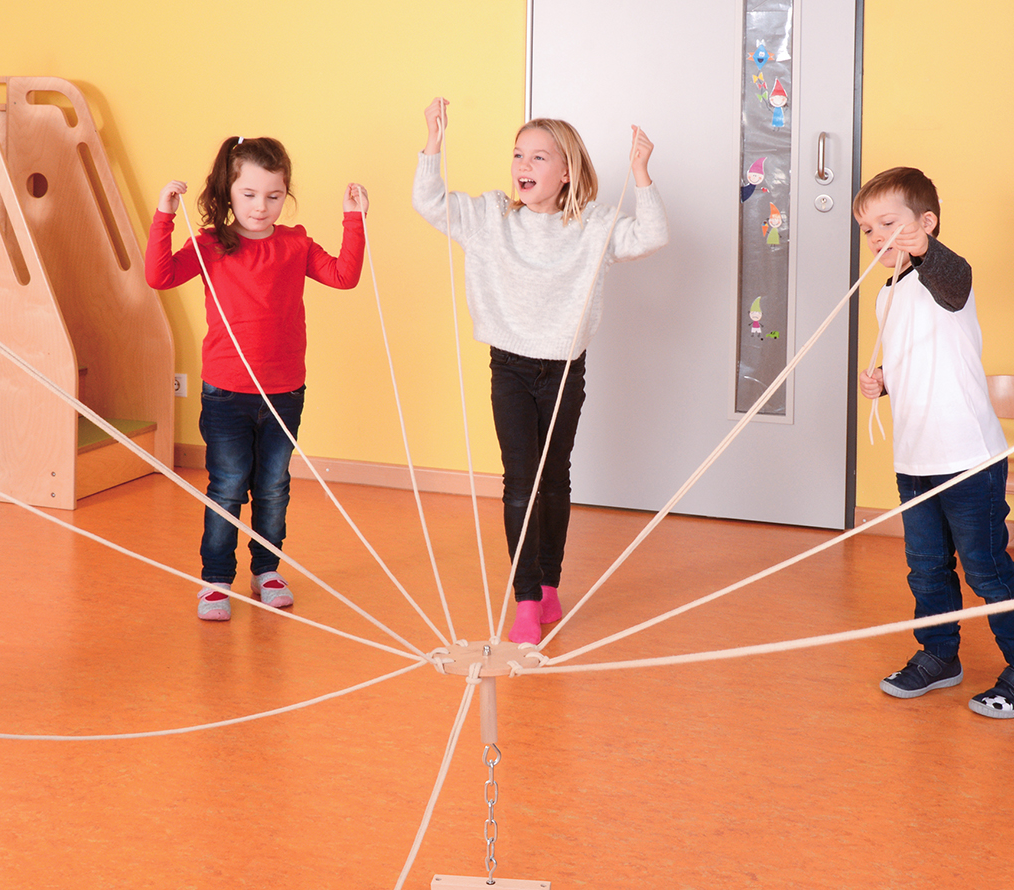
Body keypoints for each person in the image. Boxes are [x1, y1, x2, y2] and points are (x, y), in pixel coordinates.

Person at [413, 98, 667, 645]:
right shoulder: (489, 219)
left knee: (555, 477)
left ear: (567, 171)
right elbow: (428, 201)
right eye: (517, 155)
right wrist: (433, 144)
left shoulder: (593, 225)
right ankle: (526, 597)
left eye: (538, 157)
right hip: (509, 366)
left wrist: (642, 175)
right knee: (520, 482)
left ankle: (550, 583)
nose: (523, 166)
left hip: (564, 368)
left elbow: (651, 237)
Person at [855, 167, 1014, 718]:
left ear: (926, 224)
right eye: (868, 230)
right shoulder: (886, 296)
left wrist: (927, 250)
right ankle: (939, 655)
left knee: (985, 566)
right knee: (925, 568)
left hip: (969, 457)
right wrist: (883, 382)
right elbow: (918, 363)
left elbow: (952, 275)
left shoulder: (946, 281)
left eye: (888, 224)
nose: (877, 238)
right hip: (915, 457)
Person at [147, 137, 367, 621]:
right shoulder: (209, 243)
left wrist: (354, 218)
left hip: (285, 391)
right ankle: (215, 581)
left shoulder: (295, 244)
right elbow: (159, 277)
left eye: (272, 195)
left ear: (285, 194)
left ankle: (267, 570)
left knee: (272, 488)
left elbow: (344, 276)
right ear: (229, 191)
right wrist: (164, 214)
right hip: (225, 393)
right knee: (227, 487)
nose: (260, 206)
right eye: (248, 194)